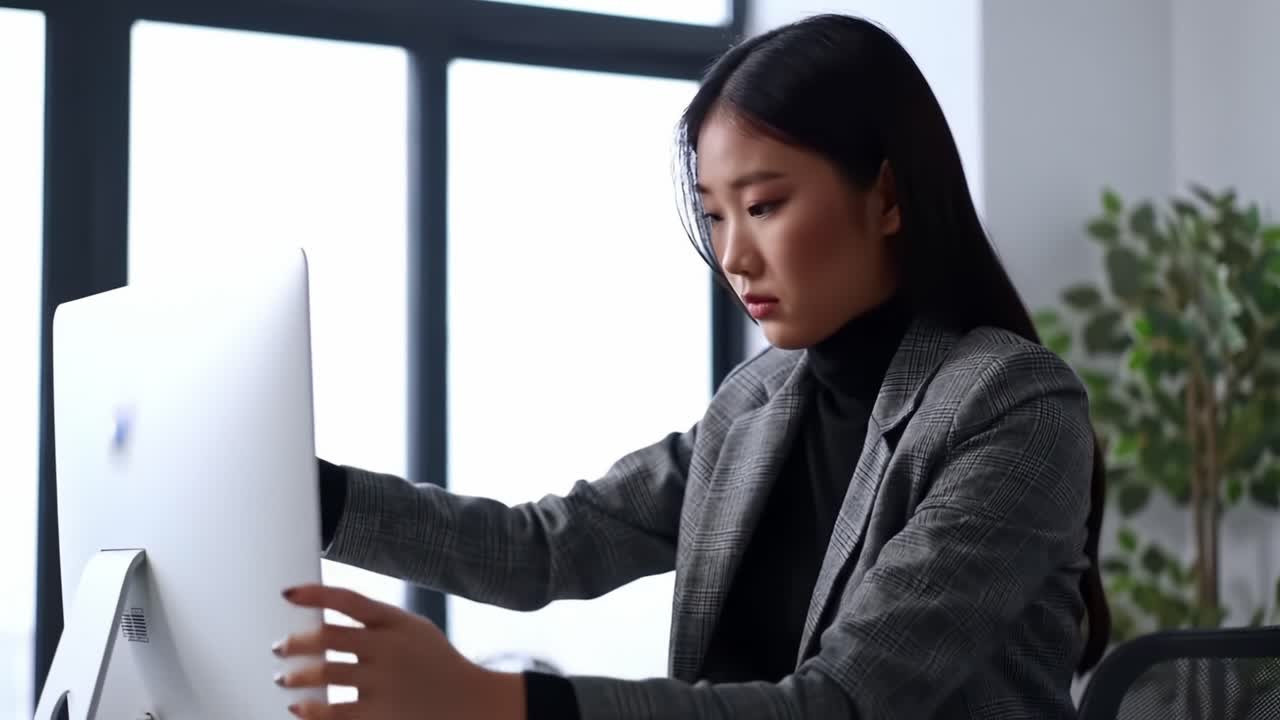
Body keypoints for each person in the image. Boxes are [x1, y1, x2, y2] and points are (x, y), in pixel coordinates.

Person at [271, 13, 1110, 720]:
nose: (734, 256)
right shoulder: (757, 403)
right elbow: (542, 549)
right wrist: (301, 493)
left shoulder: (1013, 406)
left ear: (886, 196)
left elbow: (841, 707)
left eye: (765, 205)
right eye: (713, 215)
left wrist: (498, 702)